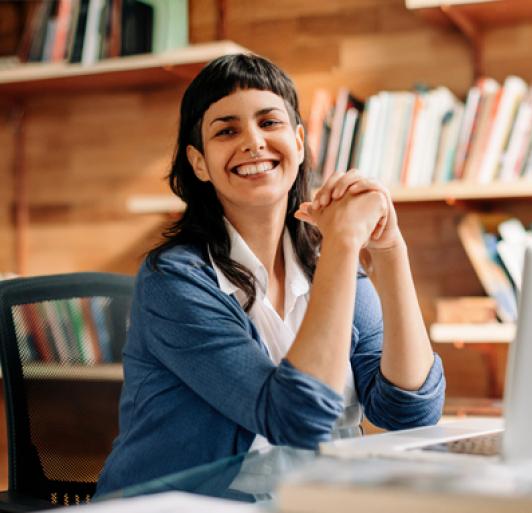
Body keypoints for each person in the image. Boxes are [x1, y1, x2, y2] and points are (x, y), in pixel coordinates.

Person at [95, 53, 445, 494]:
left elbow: (410, 414)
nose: (253, 142)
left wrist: (390, 251)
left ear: (299, 142)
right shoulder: (173, 281)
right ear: (199, 162)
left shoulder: (328, 263)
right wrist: (342, 242)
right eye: (226, 131)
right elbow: (295, 418)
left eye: (269, 123)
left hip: (317, 501)